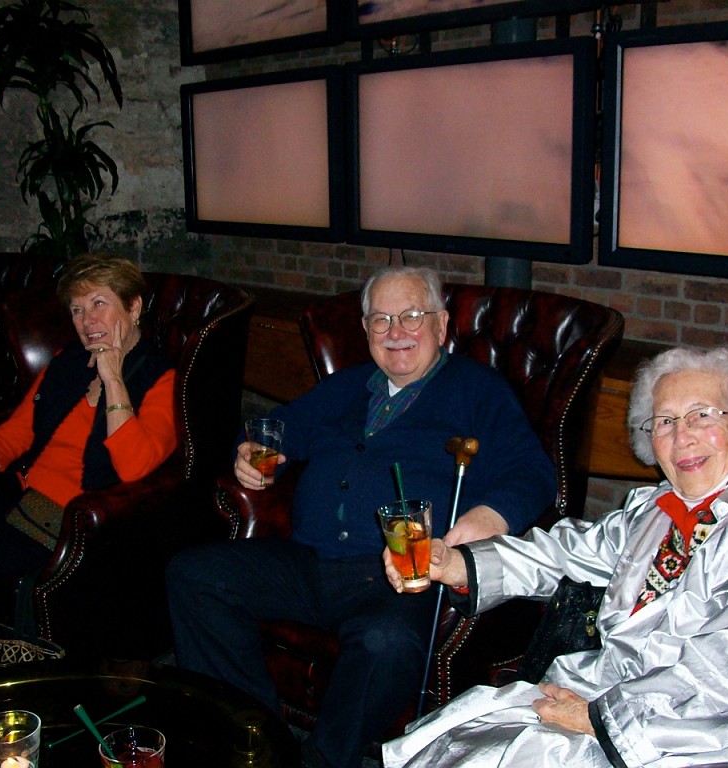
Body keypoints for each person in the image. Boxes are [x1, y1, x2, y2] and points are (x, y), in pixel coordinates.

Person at [382, 346, 728, 768]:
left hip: (715, 743)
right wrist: (457, 563)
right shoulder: (659, 509)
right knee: (460, 736)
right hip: (617, 704)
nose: (682, 436)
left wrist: (600, 718)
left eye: (702, 416)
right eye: (665, 422)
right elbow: (566, 554)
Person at [166, 266, 556, 768]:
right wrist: (253, 450)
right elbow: (278, 427)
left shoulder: (478, 390)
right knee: (194, 576)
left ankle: (324, 761)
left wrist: (485, 519)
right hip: (309, 561)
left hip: (396, 578)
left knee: (384, 642)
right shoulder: (347, 386)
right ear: (366, 329)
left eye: (411, 316)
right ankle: (259, 738)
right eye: (380, 320)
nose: (396, 332)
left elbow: (533, 473)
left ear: (440, 325)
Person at [0, 254, 178, 692]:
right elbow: (18, 431)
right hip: (21, 492)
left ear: (133, 307)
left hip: (72, 517)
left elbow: (135, 466)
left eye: (99, 304)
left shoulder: (162, 379)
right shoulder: (66, 361)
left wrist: (114, 379)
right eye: (76, 310)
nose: (87, 321)